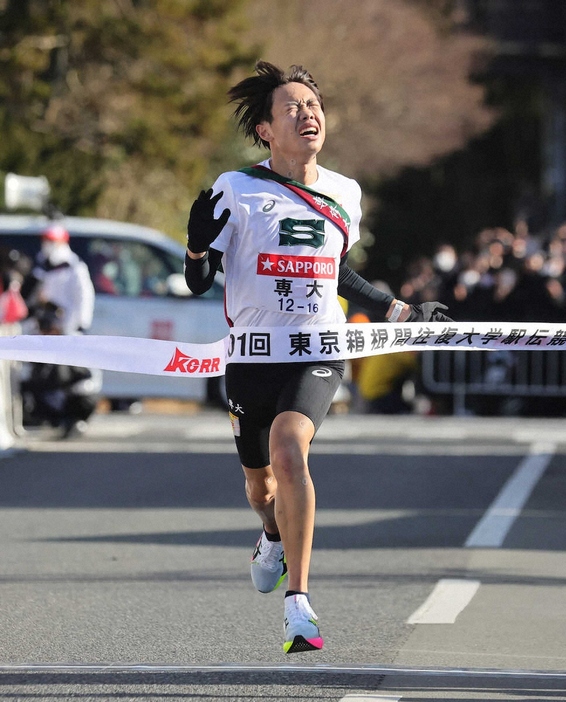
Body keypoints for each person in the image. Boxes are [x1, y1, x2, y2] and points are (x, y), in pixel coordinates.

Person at [184, 60, 451, 654]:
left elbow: (336, 273)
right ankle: (271, 534)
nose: (308, 115)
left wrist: (398, 310)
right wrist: (198, 243)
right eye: (292, 108)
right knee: (261, 487)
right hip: (252, 357)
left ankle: (298, 605)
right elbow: (199, 282)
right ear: (264, 130)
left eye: (314, 106)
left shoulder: (344, 192)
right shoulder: (237, 188)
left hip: (318, 350)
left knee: (288, 447)